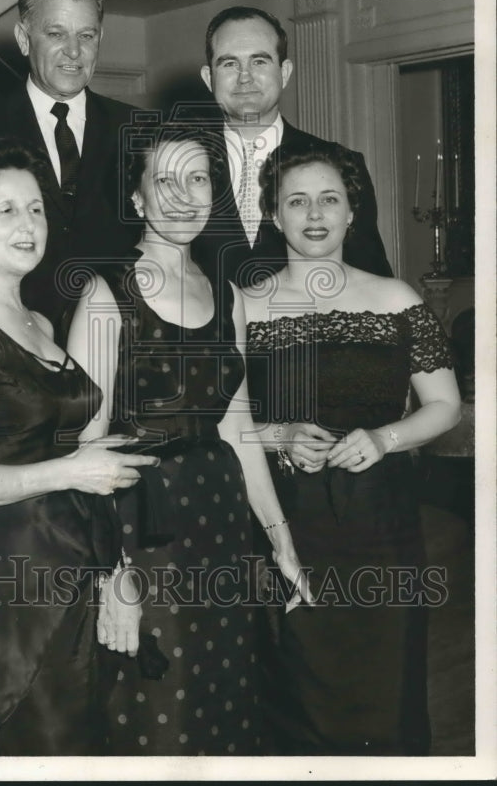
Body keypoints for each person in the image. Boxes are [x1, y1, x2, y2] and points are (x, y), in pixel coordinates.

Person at [67, 123, 312, 756]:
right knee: (154, 715)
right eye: (165, 180)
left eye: (198, 178)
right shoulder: (104, 294)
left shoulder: (223, 293)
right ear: (137, 200)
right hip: (141, 530)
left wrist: (279, 539)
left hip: (223, 524)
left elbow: (237, 426)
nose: (184, 195)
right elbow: (81, 451)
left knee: (224, 698)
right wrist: (110, 576)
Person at [0, 139, 159, 755]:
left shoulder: (39, 323)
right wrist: (70, 471)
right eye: (6, 211)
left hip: (67, 568)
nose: (29, 225)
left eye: (37, 209)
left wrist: (114, 568)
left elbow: (82, 464)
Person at [242, 140, 461, 755]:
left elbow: (446, 406)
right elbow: (223, 424)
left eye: (329, 199)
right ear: (273, 215)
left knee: (386, 701)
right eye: (297, 201)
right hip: (287, 528)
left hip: (382, 530)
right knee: (296, 706)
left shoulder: (397, 299)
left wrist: (384, 438)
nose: (314, 214)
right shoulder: (245, 307)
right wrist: (279, 435)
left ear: (351, 213)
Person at [0, 0, 138, 335]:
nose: (73, 51)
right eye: (56, 34)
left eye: (87, 35)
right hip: (10, 340)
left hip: (118, 346)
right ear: (23, 39)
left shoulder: (138, 128)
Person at [193, 5, 392, 288]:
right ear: (207, 77)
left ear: (284, 72)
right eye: (229, 63)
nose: (244, 76)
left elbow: (372, 277)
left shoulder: (338, 163)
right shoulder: (177, 165)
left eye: (259, 61)